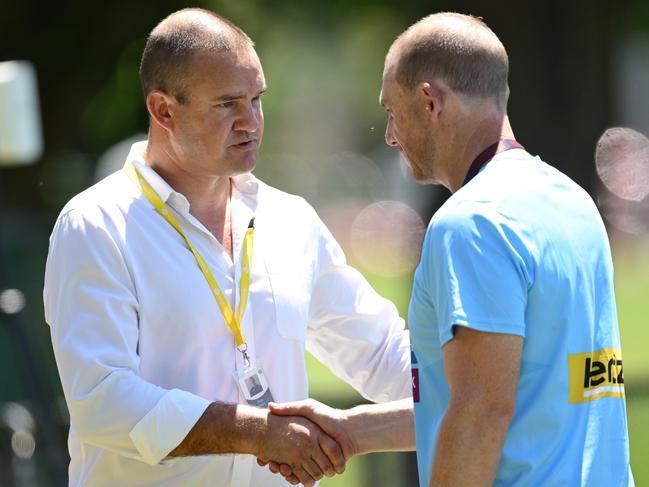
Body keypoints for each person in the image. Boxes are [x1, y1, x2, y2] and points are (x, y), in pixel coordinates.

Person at [43, 8, 413, 487]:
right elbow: (102, 401)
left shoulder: (290, 220)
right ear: (162, 110)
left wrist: (487, 389)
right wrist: (253, 432)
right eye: (227, 104)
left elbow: (383, 353)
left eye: (257, 99)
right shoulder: (94, 224)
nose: (251, 121)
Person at [377, 11, 634, 487]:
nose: (391, 135)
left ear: (431, 102)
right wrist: (352, 432)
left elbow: (481, 412)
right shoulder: (572, 201)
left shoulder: (469, 222)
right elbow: (541, 389)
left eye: (392, 112)